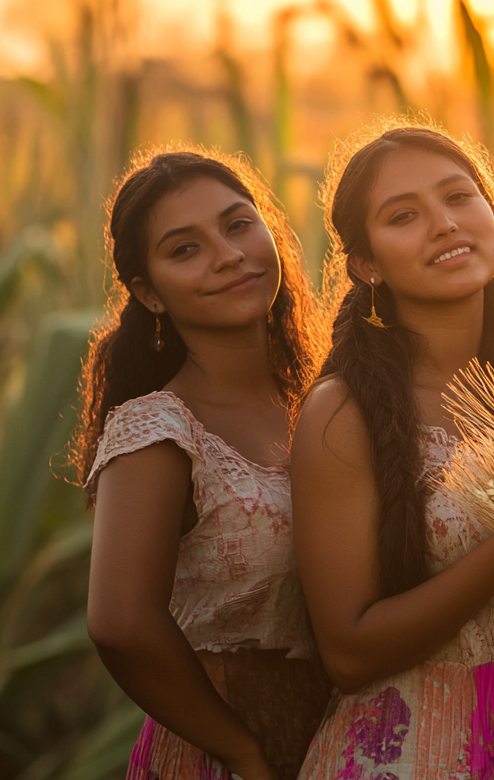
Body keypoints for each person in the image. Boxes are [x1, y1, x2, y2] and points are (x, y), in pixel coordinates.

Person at [291, 123, 494, 779]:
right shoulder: (344, 411)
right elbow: (350, 653)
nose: (444, 224)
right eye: (404, 215)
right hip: (403, 753)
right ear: (367, 264)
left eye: (458, 197)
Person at [78, 148, 332, 780]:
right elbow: (120, 624)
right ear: (149, 294)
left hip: (349, 732)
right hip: (221, 748)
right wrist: (241, 750)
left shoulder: (327, 400)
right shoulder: (159, 430)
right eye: (184, 249)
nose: (226, 254)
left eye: (238, 224)